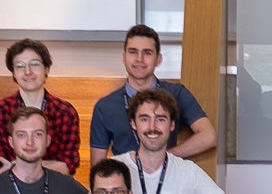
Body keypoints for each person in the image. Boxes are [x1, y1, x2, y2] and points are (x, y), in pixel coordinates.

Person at [106, 89, 246, 194]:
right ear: (133, 124)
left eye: (160, 119)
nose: (152, 127)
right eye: (144, 119)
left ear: (172, 124)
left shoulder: (189, 173)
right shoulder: (111, 168)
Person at [88, 24, 217, 163]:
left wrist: (165, 157)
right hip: (125, 181)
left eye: (147, 52)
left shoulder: (176, 93)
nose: (139, 59)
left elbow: (209, 136)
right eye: (133, 52)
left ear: (158, 59)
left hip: (167, 179)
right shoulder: (105, 106)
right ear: (124, 57)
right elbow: (97, 167)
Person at [0, 38, 80, 176]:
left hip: (56, 188)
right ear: (13, 72)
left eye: (35, 64)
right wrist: (50, 165)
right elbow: (2, 165)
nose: (28, 72)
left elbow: (67, 166)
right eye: (19, 66)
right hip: (14, 189)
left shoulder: (65, 112)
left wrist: (17, 165)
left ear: (46, 68)